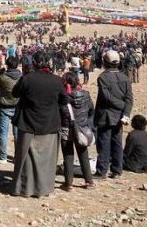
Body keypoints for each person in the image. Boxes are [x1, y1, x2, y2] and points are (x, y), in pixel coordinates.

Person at [12, 50, 68, 198]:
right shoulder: (57, 80)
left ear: (34, 63)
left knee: (26, 159)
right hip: (49, 124)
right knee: (47, 160)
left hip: (28, 123)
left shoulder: (27, 79)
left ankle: (24, 189)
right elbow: (65, 100)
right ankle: (44, 188)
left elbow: (15, 93)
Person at [94, 50, 133, 179]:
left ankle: (102, 171)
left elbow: (107, 97)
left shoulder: (103, 77)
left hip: (106, 115)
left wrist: (122, 106)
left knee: (104, 143)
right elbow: (129, 99)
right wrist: (126, 112)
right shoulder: (125, 77)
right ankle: (117, 170)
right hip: (120, 116)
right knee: (117, 143)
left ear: (105, 62)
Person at [59, 72, 95, 191]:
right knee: (83, 154)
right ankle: (89, 181)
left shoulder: (63, 97)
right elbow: (91, 110)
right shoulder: (86, 94)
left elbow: (61, 112)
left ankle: (68, 184)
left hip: (66, 128)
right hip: (82, 129)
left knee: (68, 156)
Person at [0, 56, 21, 163]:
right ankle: (18, 157)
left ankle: (3, 157)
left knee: (4, 133)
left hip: (5, 107)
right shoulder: (21, 77)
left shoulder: (3, 77)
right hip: (17, 107)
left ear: (7, 65)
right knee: (17, 134)